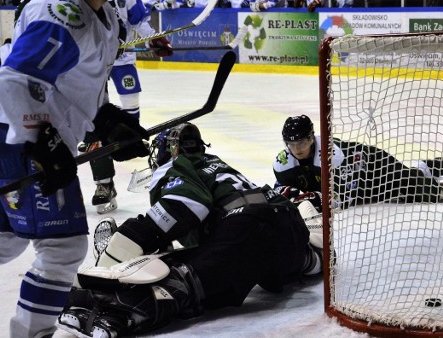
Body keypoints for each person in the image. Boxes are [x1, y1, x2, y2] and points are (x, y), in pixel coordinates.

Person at [0, 0, 147, 337]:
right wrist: (43, 142)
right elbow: (15, 81)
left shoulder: (93, 9)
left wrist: (106, 118)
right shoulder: (66, 17)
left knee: (0, 241)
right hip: (15, 137)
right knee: (63, 250)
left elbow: (73, 80)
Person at [56, 123, 320, 337]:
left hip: (247, 229)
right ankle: (311, 259)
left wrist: (122, 247)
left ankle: (118, 306)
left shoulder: (177, 164)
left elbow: (186, 205)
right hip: (289, 227)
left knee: (182, 282)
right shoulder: (215, 163)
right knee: (213, 259)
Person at [273, 115, 443, 210]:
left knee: (418, 189)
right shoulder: (283, 163)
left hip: (374, 168)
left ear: (311, 137)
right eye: (292, 144)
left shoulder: (332, 155)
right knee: (411, 175)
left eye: (302, 142)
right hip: (363, 182)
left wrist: (309, 198)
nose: (298, 149)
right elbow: (283, 191)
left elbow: (342, 198)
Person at [84, 0, 172, 214]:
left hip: (122, 59)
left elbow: (140, 21)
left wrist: (154, 39)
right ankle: (103, 181)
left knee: (129, 107)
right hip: (91, 64)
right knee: (92, 119)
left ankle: (128, 140)